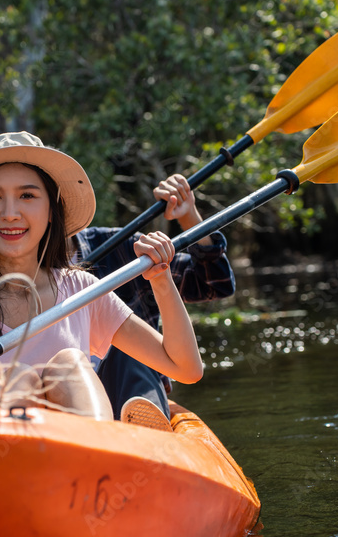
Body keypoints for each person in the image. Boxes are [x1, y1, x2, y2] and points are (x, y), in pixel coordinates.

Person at [0, 132, 204, 434]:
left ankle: (97, 456)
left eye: (27, 196)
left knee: (69, 364)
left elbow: (186, 368)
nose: (10, 213)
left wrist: (162, 280)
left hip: (80, 459)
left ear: (50, 211)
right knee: (18, 377)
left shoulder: (84, 290)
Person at [74, 175, 235, 420]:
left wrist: (188, 215)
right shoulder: (5, 278)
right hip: (65, 398)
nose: (14, 214)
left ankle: (145, 427)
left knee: (126, 347)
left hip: (127, 390)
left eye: (29, 196)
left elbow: (214, 283)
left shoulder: (123, 248)